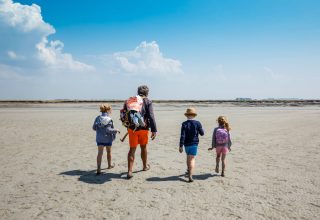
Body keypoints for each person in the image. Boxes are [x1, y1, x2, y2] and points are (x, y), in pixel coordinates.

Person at [124, 85, 157, 179]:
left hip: (132, 128)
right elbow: (151, 116)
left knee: (132, 149)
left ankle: (129, 171)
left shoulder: (130, 100)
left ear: (138, 92)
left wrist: (128, 126)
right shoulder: (148, 101)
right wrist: (154, 130)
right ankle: (144, 166)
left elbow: (124, 114)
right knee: (143, 147)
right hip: (143, 128)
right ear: (147, 93)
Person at [92, 104, 120, 175]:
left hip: (99, 138)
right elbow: (108, 130)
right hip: (107, 139)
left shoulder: (98, 118)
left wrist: (100, 130)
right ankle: (109, 165)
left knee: (100, 153)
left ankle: (98, 168)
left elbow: (94, 128)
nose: (111, 110)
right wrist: (116, 130)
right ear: (107, 110)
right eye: (110, 109)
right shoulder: (109, 119)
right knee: (108, 152)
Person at [179, 107, 204, 182]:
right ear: (194, 115)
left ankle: (188, 170)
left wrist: (180, 145)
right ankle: (190, 175)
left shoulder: (184, 124)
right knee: (192, 158)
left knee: (188, 157)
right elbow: (202, 133)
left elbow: (182, 135)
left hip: (186, 144)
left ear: (186, 115)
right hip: (194, 143)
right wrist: (201, 129)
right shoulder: (197, 123)